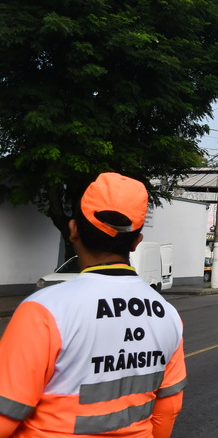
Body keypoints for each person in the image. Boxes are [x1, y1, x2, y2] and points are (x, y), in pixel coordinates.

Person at [0, 172, 187, 437]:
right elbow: (168, 408)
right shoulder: (167, 315)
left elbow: (4, 416)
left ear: (73, 230)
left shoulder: (45, 310)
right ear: (136, 242)